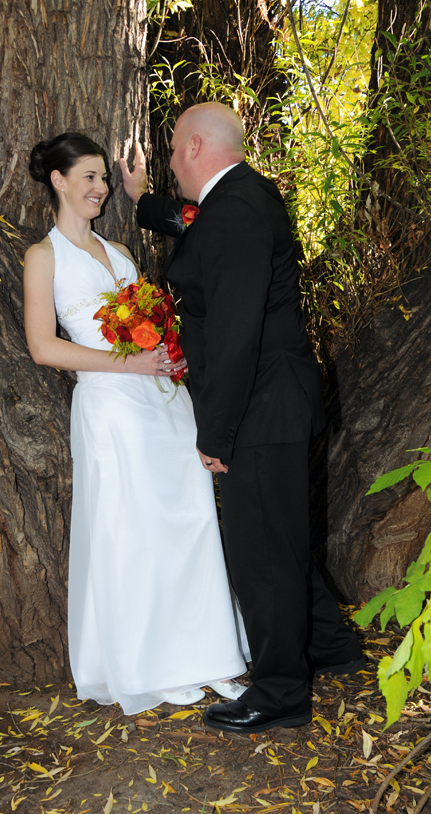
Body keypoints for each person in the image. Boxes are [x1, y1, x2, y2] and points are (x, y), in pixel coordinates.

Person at [119, 103, 365, 733]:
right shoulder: (243, 200)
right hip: (274, 400)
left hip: (256, 405)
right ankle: (329, 645)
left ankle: (281, 693)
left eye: (173, 149)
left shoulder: (235, 211)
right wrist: (141, 199)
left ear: (197, 147)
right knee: (281, 534)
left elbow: (233, 335)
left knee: (261, 554)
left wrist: (215, 431)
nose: (170, 161)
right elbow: (192, 229)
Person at [23, 131, 249, 715]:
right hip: (111, 408)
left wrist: (167, 354)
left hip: (164, 402)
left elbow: (151, 321)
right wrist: (127, 363)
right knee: (134, 530)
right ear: (59, 181)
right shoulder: (43, 257)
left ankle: (210, 653)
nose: (100, 189)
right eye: (91, 178)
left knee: (192, 519)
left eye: (103, 178)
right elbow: (44, 348)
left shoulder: (119, 251)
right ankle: (151, 664)